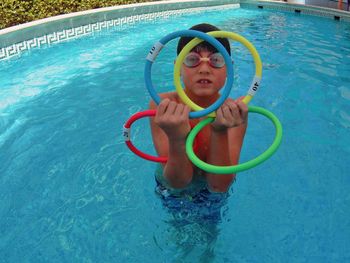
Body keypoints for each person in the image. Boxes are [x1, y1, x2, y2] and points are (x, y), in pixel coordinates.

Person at [149, 23, 248, 194]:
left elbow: (219, 186)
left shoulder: (233, 112)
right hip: (172, 193)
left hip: (211, 196)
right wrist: (176, 139)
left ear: (229, 69)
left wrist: (220, 131)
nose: (204, 69)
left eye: (216, 60)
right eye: (192, 60)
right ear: (178, 67)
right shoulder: (163, 105)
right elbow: (177, 183)